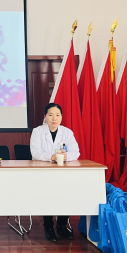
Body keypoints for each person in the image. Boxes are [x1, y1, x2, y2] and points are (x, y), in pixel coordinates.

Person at [30, 102, 80, 242]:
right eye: (51, 115)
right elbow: (35, 152)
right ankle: (48, 226)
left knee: (66, 195)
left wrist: (66, 156)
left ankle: (62, 225)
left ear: (61, 117)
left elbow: (76, 152)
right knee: (47, 196)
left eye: (57, 115)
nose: (54, 118)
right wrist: (51, 157)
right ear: (45, 116)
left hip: (63, 172)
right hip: (43, 172)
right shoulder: (38, 131)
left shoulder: (67, 132)